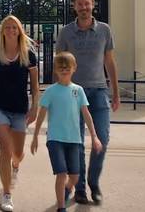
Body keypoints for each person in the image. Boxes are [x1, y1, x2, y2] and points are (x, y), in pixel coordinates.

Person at [56, 0, 121, 204]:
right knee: (76, 143)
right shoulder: (66, 32)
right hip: (73, 93)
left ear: (93, 5)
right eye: (80, 4)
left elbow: (109, 61)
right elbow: (59, 64)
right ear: (74, 6)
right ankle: (81, 189)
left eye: (87, 4)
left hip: (99, 91)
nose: (84, 7)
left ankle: (94, 182)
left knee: (101, 138)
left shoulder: (104, 30)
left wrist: (116, 92)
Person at [30, 52, 102, 212]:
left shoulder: (78, 90)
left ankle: (67, 190)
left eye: (67, 67)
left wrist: (95, 137)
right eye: (61, 68)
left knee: (75, 177)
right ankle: (61, 207)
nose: (64, 70)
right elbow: (41, 114)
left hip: (74, 140)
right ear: (55, 70)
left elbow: (86, 114)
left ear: (74, 68)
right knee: (61, 174)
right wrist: (35, 136)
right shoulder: (51, 91)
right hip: (55, 139)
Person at [0, 15, 39, 212]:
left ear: (19, 31)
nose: (10, 30)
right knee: (5, 151)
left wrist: (35, 107)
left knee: (17, 153)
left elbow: (35, 87)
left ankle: (15, 166)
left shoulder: (29, 56)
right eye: (7, 27)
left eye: (14, 27)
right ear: (2, 31)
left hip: (20, 110)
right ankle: (6, 194)